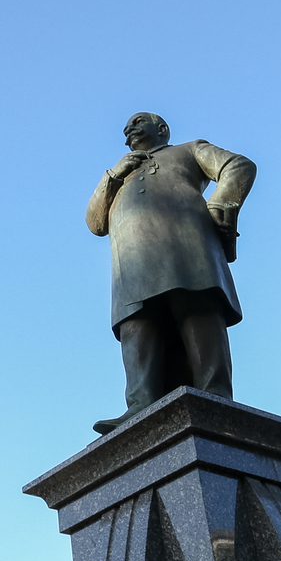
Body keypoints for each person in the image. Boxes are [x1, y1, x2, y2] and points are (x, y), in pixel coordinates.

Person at [86, 112, 256, 434]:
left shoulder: (189, 150)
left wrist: (219, 207)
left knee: (197, 311)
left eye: (137, 122)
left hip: (187, 250)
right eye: (126, 128)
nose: (129, 130)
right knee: (136, 326)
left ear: (161, 129)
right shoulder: (119, 176)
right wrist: (114, 174)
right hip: (133, 264)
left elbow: (239, 166)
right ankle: (139, 406)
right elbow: (95, 222)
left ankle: (214, 395)